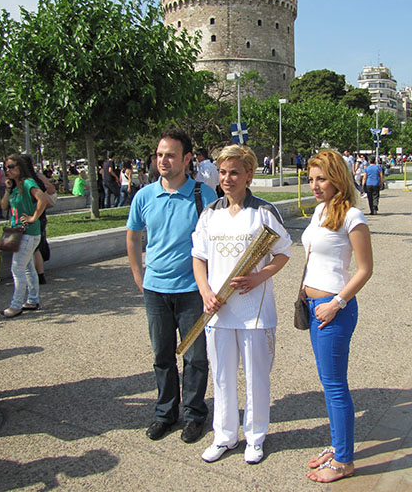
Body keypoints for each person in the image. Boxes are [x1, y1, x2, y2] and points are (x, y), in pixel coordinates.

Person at [192, 145, 291, 465]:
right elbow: (199, 257)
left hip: (255, 312)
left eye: (234, 172)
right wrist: (206, 291)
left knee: (256, 376)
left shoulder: (263, 211)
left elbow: (283, 253)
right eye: (222, 172)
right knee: (221, 376)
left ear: (249, 175)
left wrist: (259, 277)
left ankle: (256, 437)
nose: (227, 179)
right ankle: (224, 436)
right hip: (218, 311)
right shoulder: (210, 213)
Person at [126, 128, 218, 444]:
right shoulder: (144, 195)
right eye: (160, 154)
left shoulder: (203, 195)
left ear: (187, 159)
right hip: (155, 290)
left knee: (195, 357)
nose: (163, 160)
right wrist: (138, 274)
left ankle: (194, 415)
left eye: (170, 155)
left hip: (193, 290)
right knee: (162, 355)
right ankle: (166, 413)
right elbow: (133, 234)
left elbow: (213, 243)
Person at [302, 149, 373, 483]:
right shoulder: (319, 211)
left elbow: (365, 269)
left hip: (335, 310)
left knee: (335, 385)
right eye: (311, 178)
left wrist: (337, 303)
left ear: (338, 179)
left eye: (321, 178)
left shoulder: (352, 216)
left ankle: (344, 461)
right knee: (326, 381)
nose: (315, 185)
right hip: (315, 307)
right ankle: (337, 446)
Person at [0, 154, 49, 318]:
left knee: (17, 269)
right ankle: (32, 300)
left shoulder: (28, 182)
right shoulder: (15, 186)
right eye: (6, 167)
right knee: (27, 268)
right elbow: (4, 205)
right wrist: (8, 188)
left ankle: (16, 305)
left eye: (11, 166)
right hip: (17, 232)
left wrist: (34, 217)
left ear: (20, 167)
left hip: (27, 232)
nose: (8, 170)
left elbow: (43, 198)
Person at [23, 155, 57, 286]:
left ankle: (35, 276)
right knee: (36, 247)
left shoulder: (28, 180)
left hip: (33, 215)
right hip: (39, 215)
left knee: (32, 247)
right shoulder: (36, 177)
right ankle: (40, 275)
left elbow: (48, 192)